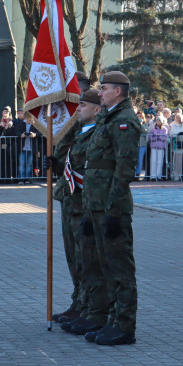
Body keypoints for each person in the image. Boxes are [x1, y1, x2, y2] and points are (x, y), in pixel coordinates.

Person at [80, 71, 144, 346]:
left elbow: (124, 169)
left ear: (117, 92)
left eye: (104, 89)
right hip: (96, 203)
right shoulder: (109, 117)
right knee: (105, 265)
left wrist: (115, 210)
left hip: (111, 204)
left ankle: (124, 325)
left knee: (119, 267)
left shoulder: (125, 122)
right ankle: (112, 320)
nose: (100, 92)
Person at [46, 89, 106, 333]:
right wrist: (57, 165)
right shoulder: (82, 134)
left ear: (96, 109)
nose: (76, 109)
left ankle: (93, 311)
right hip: (72, 204)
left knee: (89, 262)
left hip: (85, 207)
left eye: (82, 105)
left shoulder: (96, 135)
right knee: (77, 262)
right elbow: (74, 165)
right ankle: (81, 306)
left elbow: (91, 172)